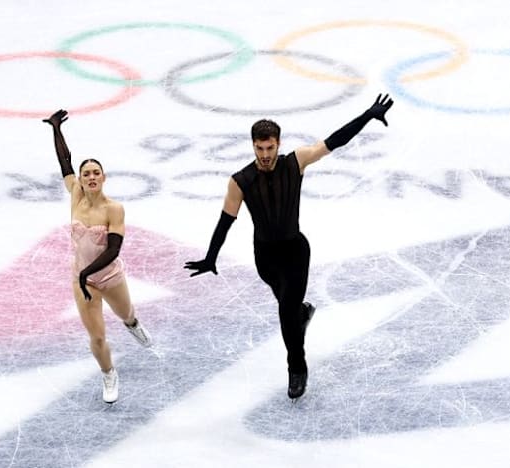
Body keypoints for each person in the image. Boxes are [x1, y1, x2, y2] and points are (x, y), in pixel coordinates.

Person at [184, 94, 394, 399]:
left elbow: (335, 141)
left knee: (285, 311)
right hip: (265, 258)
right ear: (253, 146)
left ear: (278, 144)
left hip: (295, 252)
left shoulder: (296, 162)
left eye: (270, 148)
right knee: (290, 311)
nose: (265, 154)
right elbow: (226, 220)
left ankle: (297, 369)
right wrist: (210, 257)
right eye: (260, 148)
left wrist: (367, 115)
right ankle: (301, 315)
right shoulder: (240, 181)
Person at [43, 109, 152, 404]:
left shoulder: (113, 209)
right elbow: (64, 161)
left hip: (109, 275)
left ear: (103, 177)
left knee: (125, 314)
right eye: (86, 173)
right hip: (83, 282)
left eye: (96, 173)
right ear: (80, 179)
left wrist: (85, 272)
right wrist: (56, 129)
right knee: (98, 336)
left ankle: (133, 324)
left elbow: (114, 250)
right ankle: (108, 372)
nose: (91, 177)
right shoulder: (76, 195)